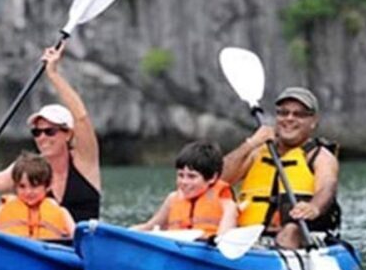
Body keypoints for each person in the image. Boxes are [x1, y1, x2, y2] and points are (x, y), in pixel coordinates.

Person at [0, 44, 101, 222]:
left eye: (50, 131)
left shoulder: (84, 160)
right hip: (45, 238)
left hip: (86, 239)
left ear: (68, 134)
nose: (42, 138)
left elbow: (81, 118)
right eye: (37, 132)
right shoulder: (30, 167)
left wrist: (53, 75)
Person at [221, 87, 341, 249]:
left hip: (300, 233)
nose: (289, 118)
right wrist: (250, 144)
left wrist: (313, 207)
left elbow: (327, 187)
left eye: (299, 114)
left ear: (313, 121)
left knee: (290, 231)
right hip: (250, 235)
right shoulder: (257, 151)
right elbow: (219, 178)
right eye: (283, 113)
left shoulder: (320, 156)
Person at [132, 141, 238, 239]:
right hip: (176, 245)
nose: (184, 182)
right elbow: (149, 227)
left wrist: (217, 240)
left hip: (207, 246)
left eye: (192, 176)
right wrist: (127, 233)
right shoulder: (172, 199)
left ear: (212, 178)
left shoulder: (225, 202)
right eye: (180, 175)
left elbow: (224, 237)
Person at [0, 151, 76, 240]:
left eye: (34, 186)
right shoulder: (3, 209)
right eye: (22, 186)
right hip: (10, 249)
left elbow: (78, 237)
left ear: (47, 186)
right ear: (15, 186)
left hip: (47, 249)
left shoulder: (62, 212)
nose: (28, 192)